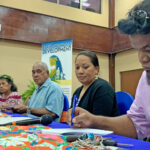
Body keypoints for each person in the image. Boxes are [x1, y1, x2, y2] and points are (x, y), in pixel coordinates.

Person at [67, 0, 150, 140]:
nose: (142, 59)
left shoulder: (102, 88)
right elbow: (136, 125)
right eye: (137, 50)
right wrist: (94, 121)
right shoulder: (146, 79)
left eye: (148, 49)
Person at [71, 50, 120, 117]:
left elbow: (100, 121)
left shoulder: (103, 88)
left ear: (96, 69)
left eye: (85, 67)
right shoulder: (77, 92)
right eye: (77, 67)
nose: (80, 71)